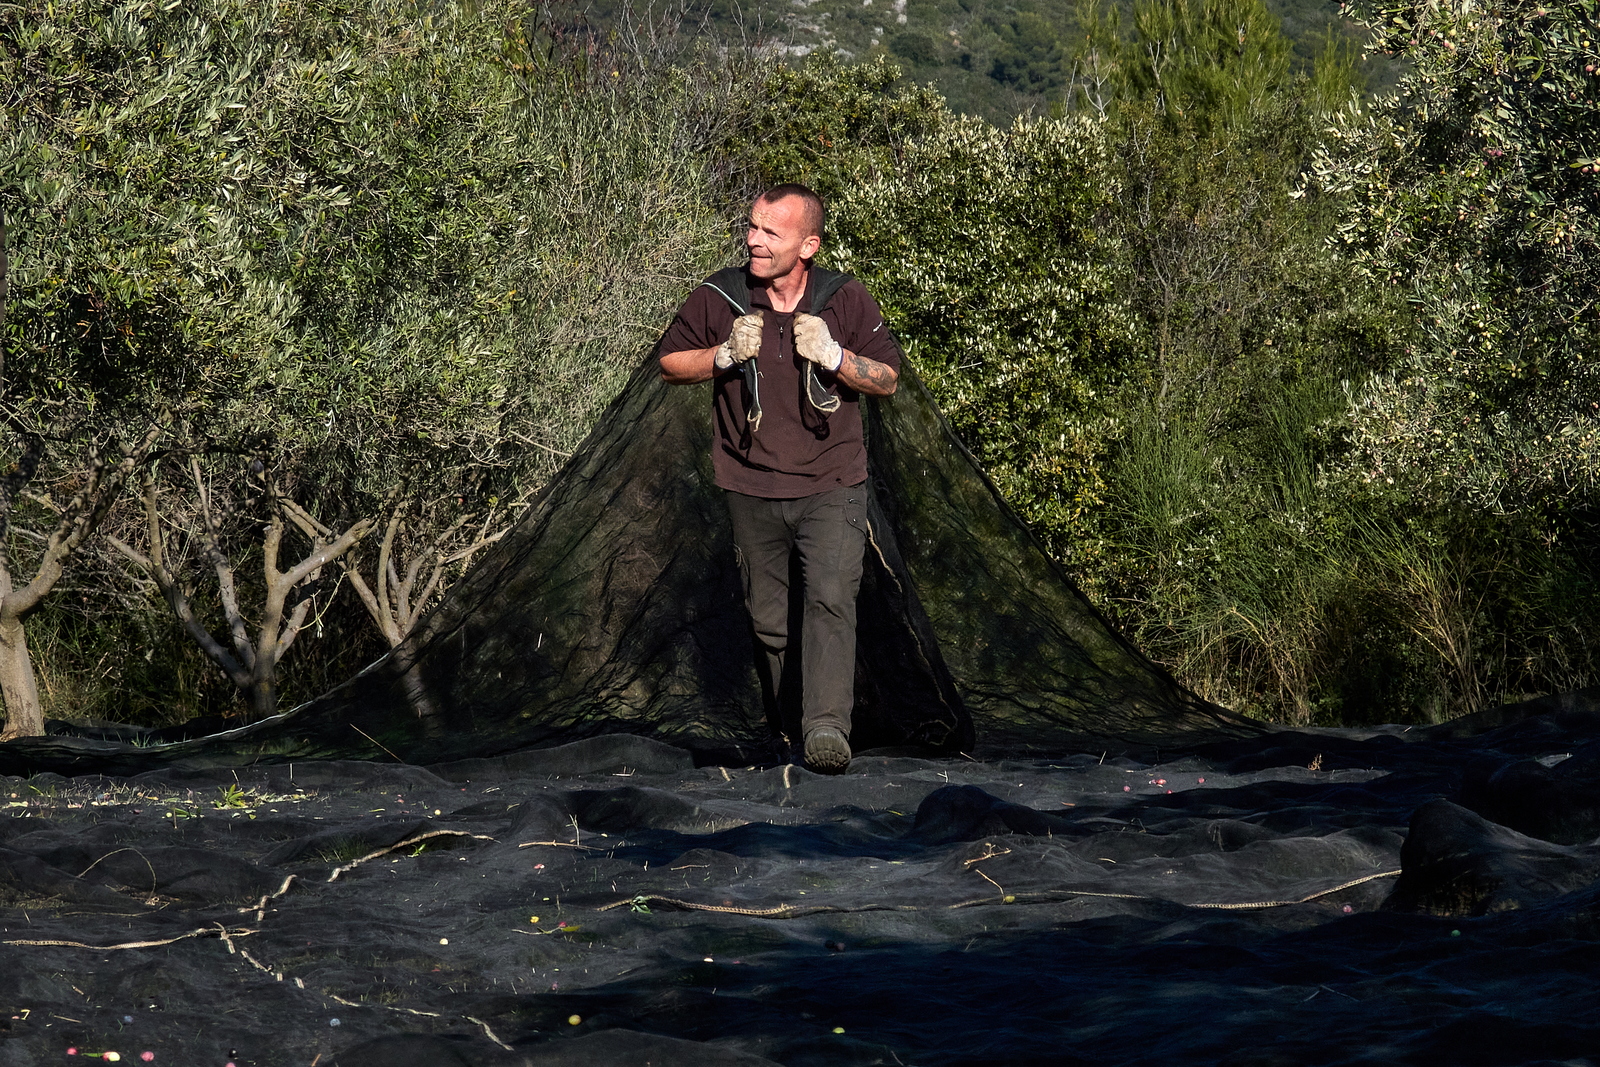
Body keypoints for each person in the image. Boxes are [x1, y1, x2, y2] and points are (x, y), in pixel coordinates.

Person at [657, 184, 901, 774]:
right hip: (750, 486)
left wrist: (836, 357)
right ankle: (788, 732)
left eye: (771, 232)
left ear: (808, 245)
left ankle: (826, 730)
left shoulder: (843, 298)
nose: (754, 241)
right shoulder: (720, 295)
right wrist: (721, 354)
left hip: (832, 483)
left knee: (830, 600)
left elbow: (888, 378)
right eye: (752, 227)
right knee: (768, 622)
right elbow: (668, 363)